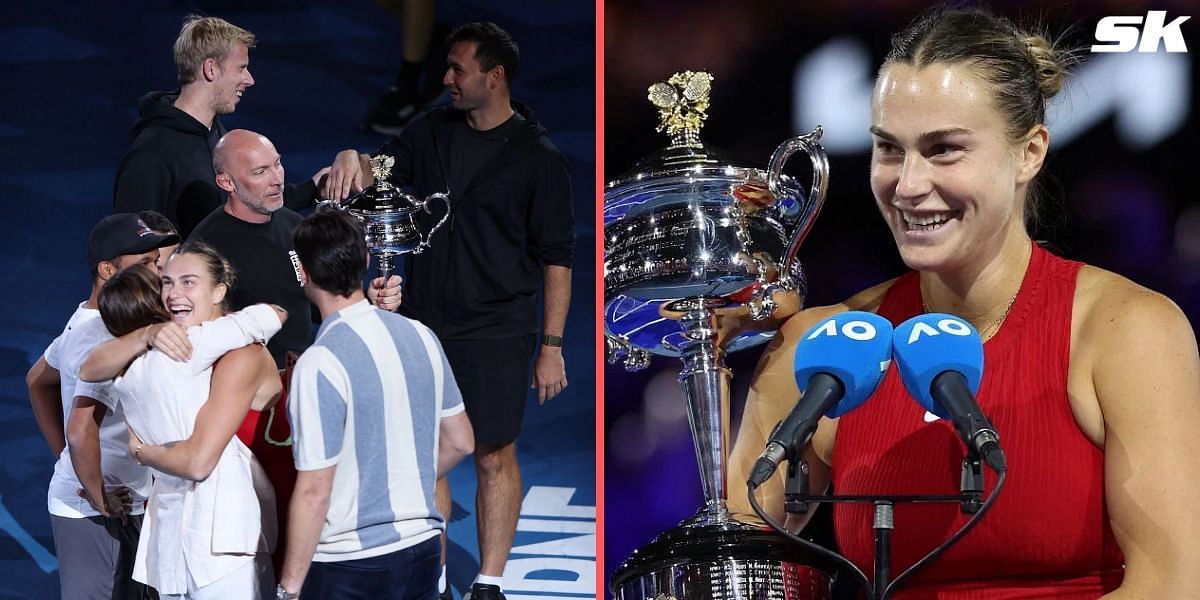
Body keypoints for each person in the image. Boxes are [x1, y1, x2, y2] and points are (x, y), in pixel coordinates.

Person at [726, 6, 1200, 598]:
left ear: (1029, 153)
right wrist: (714, 357)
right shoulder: (822, 349)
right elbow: (741, 572)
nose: (907, 185)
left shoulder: (1127, 331)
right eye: (889, 150)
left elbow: (1171, 584)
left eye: (944, 149)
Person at [325, 22, 573, 600]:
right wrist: (349, 153)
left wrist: (552, 346)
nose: (447, 79)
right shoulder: (429, 130)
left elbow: (557, 260)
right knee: (424, 457)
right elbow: (374, 171)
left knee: (492, 453)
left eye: (458, 69)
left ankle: (488, 581)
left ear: (496, 76)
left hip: (497, 330)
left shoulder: (540, 160)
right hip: (422, 324)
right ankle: (431, 575)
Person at [276, 208, 474, 599]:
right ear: (366, 261)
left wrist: (290, 589)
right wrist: (403, 484)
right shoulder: (420, 336)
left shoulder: (319, 363)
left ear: (304, 272)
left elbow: (315, 490)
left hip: (349, 565)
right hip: (423, 549)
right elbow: (461, 441)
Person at [83, 244, 288, 599]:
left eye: (188, 282)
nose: (174, 294)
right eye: (166, 283)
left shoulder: (124, 368)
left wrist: (142, 452)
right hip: (219, 532)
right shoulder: (193, 343)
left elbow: (88, 368)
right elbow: (275, 313)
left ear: (219, 290)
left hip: (180, 536)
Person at [25, 213, 176, 600]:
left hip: (128, 499)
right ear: (108, 269)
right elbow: (80, 429)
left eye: (156, 262)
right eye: (144, 264)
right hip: (96, 512)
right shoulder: (102, 336)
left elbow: (36, 379)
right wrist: (93, 491)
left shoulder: (90, 320)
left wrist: (67, 460)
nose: (156, 272)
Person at [112, 15, 327, 238]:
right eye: (241, 68)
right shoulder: (151, 155)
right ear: (211, 69)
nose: (250, 79)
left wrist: (315, 187)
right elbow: (131, 252)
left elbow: (246, 205)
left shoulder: (215, 133)